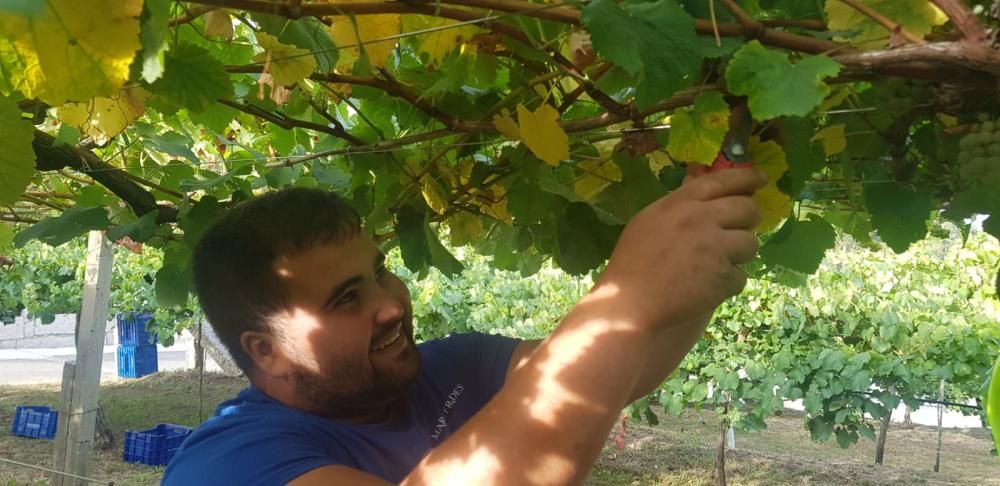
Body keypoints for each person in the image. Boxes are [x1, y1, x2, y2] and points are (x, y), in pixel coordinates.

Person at [162, 168, 765, 485]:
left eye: (379, 272)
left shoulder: (455, 365)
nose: (392, 304)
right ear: (265, 351)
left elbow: (620, 371)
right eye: (347, 299)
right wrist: (625, 297)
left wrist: (699, 268)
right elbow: (617, 333)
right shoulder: (227, 465)